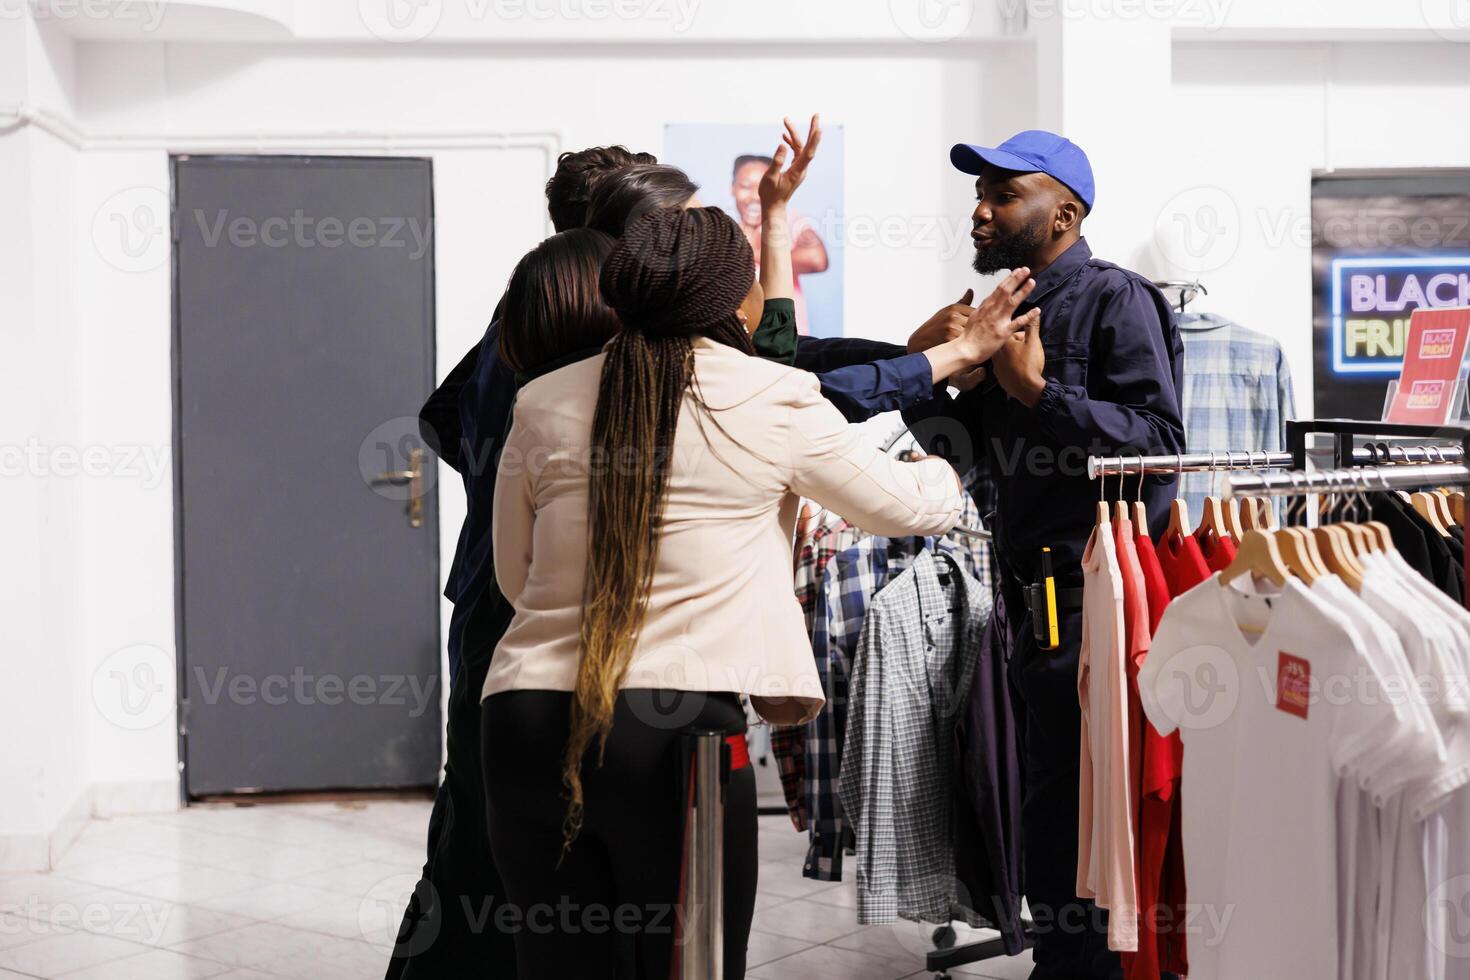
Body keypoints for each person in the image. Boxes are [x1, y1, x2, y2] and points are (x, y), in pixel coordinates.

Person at [479, 199, 1040, 977]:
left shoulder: (540, 401)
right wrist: (942, 468)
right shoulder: (774, 397)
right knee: (692, 966)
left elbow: (517, 577)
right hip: (674, 736)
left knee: (554, 964)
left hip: (523, 718)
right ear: (731, 298)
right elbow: (909, 509)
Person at [903, 130, 1186, 980]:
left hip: (1091, 599)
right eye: (978, 195)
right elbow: (963, 452)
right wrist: (930, 369)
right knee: (1044, 800)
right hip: (1027, 599)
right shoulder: (1004, 309)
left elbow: (1162, 447)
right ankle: (1065, 960)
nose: (981, 210)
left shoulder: (1116, 301)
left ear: (1062, 211)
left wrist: (1039, 392)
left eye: (1003, 193)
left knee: (1077, 806)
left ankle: (1079, 968)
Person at [732, 149, 828, 333]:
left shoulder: (790, 220)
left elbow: (817, 258)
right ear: (732, 188)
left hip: (792, 338)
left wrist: (758, 253)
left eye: (762, 186)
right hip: (742, 339)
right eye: (745, 186)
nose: (754, 195)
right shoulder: (727, 229)